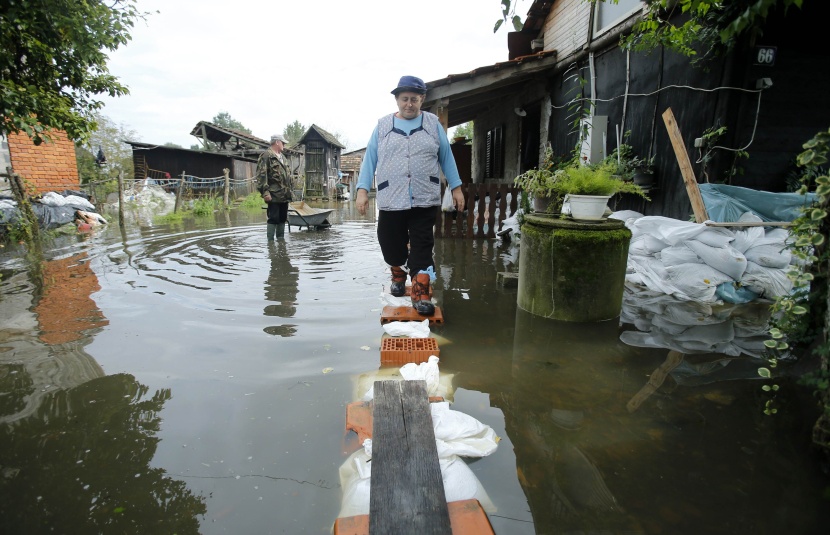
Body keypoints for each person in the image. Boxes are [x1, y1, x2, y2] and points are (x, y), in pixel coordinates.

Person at [355, 75, 465, 316]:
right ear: (397, 100)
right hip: (391, 198)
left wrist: (456, 188)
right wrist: (362, 190)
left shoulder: (432, 124)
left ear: (422, 99)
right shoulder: (382, 126)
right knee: (389, 241)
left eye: (414, 99)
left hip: (424, 197)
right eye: (404, 99)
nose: (409, 104)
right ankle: (398, 273)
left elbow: (446, 157)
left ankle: (420, 291)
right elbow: (370, 158)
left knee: (423, 244)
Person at [257, 134, 293, 240]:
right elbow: (261, 175)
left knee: (282, 218)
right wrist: (265, 192)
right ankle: (271, 244)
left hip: (284, 194)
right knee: (273, 218)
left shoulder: (283, 158)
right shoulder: (266, 156)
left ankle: (281, 242)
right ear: (277, 142)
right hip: (273, 194)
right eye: (283, 143)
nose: (284, 145)